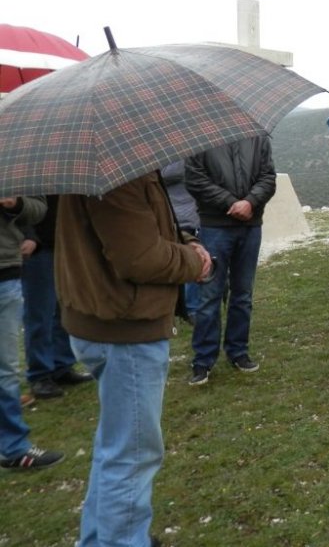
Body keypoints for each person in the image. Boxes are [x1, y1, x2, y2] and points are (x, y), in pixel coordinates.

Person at [55, 171, 210, 544]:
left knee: (116, 447)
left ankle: (98, 539)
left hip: (106, 321)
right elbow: (139, 258)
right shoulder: (117, 176)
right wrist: (194, 262)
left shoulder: (105, 167)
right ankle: (123, 539)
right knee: (133, 455)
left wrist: (187, 241)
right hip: (124, 328)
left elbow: (142, 228)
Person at [185, 137, 276, 386]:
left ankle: (238, 352)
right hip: (215, 226)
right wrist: (231, 203)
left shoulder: (257, 137)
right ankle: (203, 360)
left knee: (243, 294)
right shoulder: (200, 138)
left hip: (250, 225)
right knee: (209, 296)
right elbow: (194, 179)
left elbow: (268, 177)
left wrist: (250, 202)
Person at [1, 194, 63, 471]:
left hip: (5, 272)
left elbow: (38, 209)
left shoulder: (10, 168)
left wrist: (15, 204)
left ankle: (14, 448)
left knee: (5, 369)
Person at [21, 195, 93, 400]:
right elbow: (17, 206)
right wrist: (28, 235)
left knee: (66, 307)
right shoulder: (23, 175)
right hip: (38, 246)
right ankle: (40, 374)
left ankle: (62, 365)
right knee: (39, 313)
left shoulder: (66, 173)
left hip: (66, 241)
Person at [161, 160, 203, 318]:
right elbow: (165, 174)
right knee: (178, 262)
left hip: (189, 216)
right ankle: (183, 306)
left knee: (191, 259)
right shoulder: (174, 159)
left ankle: (190, 307)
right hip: (174, 216)